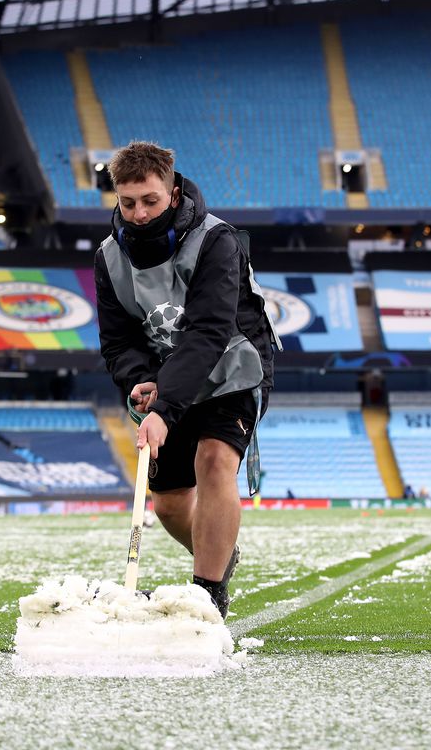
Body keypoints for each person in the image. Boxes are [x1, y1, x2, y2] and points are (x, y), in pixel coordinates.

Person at [95, 141, 276, 618]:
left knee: (214, 460)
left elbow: (208, 332)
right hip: (167, 380)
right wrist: (138, 381)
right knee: (171, 506)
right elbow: (118, 340)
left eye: (149, 201)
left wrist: (163, 409)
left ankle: (208, 596)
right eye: (127, 202)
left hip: (233, 368)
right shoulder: (108, 257)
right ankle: (220, 552)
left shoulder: (218, 240)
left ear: (173, 194)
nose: (137, 213)